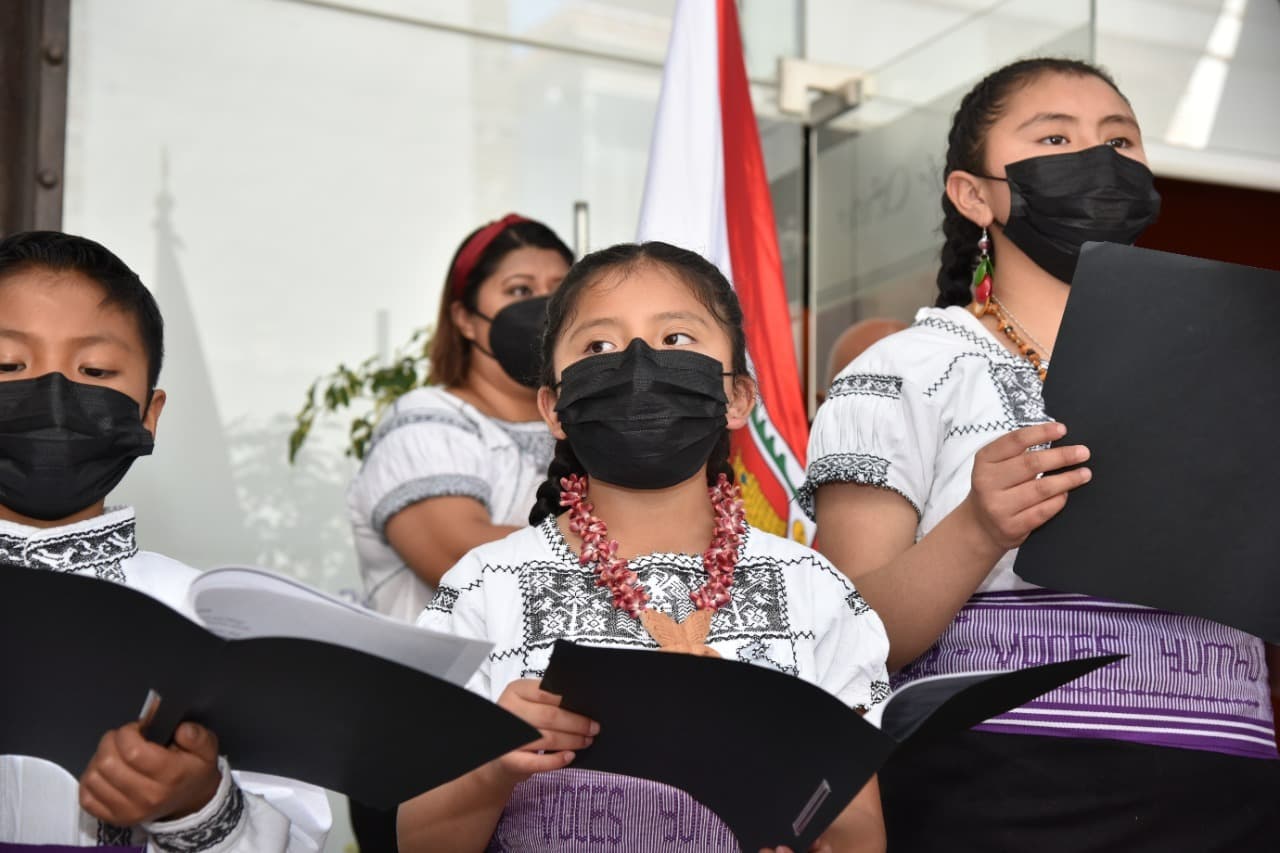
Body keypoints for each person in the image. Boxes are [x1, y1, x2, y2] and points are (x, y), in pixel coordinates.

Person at [802, 58, 1280, 850]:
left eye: (1120, 140)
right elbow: (849, 634)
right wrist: (978, 529)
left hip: (1229, 777)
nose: (1098, 160)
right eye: (1055, 137)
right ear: (973, 194)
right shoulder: (906, 368)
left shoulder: (1243, 360)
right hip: (997, 788)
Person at [397, 241, 892, 853]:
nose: (637, 362)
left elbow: (858, 829)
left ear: (738, 396)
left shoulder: (812, 586)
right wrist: (493, 764)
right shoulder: (484, 586)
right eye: (598, 346)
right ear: (554, 406)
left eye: (676, 338)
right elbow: (419, 838)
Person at [0, 230, 330, 850]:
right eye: (7, 364)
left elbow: (295, 839)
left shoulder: (209, 624)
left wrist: (198, 804)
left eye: (94, 370)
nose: (49, 394)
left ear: (147, 416)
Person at [347, 214, 573, 624]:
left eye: (561, 293)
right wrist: (628, 548)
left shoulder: (588, 425)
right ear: (465, 319)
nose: (544, 309)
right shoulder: (427, 424)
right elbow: (466, 563)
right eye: (519, 290)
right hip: (443, 686)